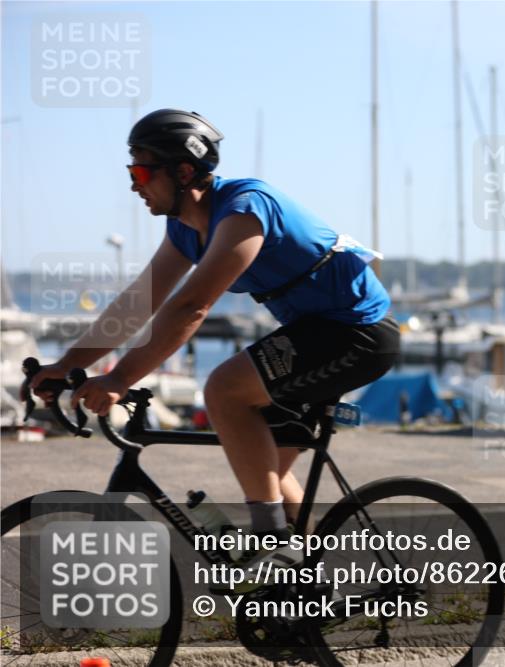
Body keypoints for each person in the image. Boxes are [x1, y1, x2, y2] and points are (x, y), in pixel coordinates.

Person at [29, 109, 399, 575]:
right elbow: (137, 304)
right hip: (318, 332)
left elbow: (192, 308)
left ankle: (272, 546)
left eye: (141, 171)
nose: (133, 185)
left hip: (357, 332)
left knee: (223, 390)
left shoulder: (245, 209)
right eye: (131, 172)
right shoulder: (185, 228)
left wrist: (121, 378)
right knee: (267, 473)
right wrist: (66, 363)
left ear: (183, 172)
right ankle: (307, 592)